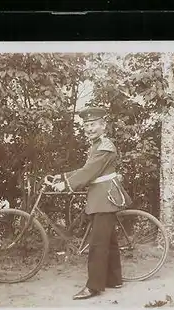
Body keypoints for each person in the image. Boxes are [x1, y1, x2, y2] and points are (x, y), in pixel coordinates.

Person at [51, 106, 133, 300]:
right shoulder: (96, 145)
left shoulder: (104, 147)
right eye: (86, 125)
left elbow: (89, 172)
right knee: (109, 241)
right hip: (101, 196)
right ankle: (114, 279)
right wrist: (62, 176)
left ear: (103, 126)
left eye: (93, 124)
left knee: (97, 244)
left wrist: (66, 185)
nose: (89, 128)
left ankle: (93, 287)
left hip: (105, 198)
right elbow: (87, 169)